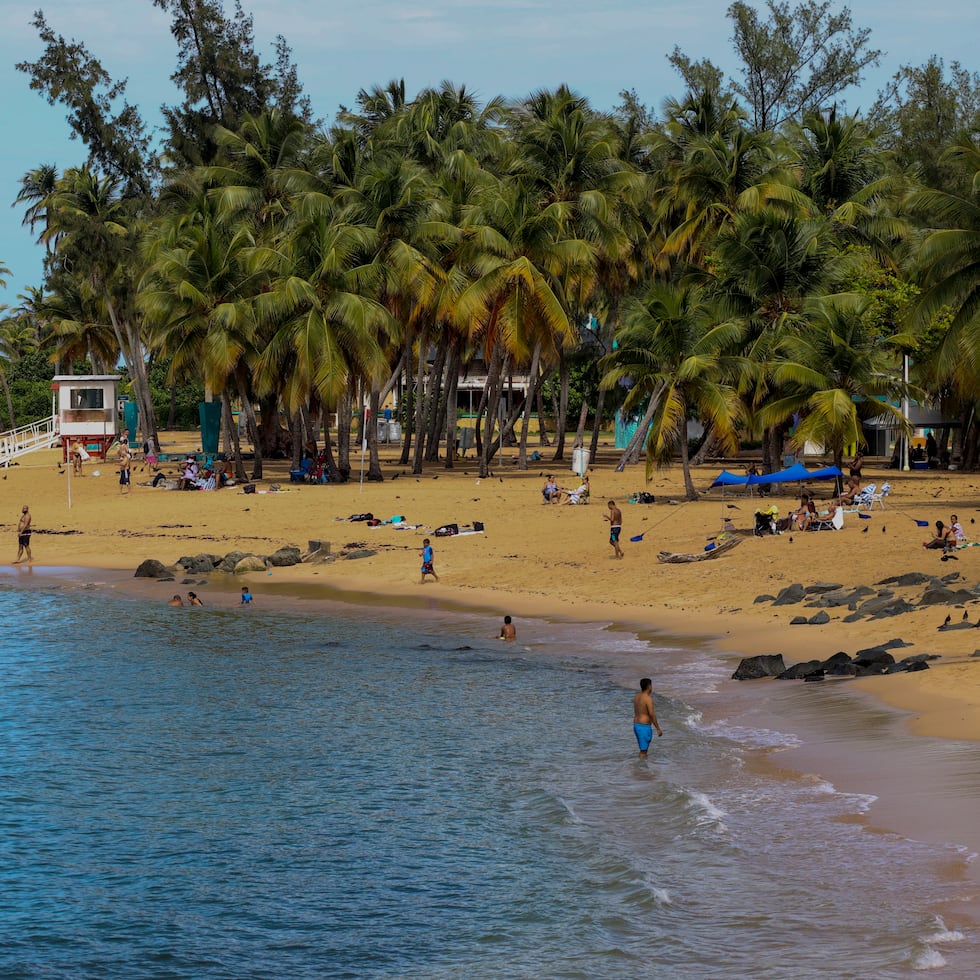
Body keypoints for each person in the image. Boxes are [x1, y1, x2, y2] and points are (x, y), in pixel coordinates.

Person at [632, 677, 663, 758]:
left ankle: (642, 767)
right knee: (643, 751)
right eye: (651, 685)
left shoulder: (637, 697)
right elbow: (652, 714)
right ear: (649, 686)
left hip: (636, 725)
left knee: (643, 749)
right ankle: (641, 769)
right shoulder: (648, 699)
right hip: (644, 726)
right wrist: (658, 728)